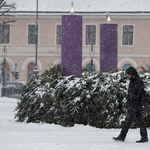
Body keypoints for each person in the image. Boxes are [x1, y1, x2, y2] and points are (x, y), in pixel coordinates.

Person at [113, 67, 149, 143]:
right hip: (133, 105)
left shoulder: (137, 81)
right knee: (139, 121)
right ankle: (144, 137)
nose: (128, 76)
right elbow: (131, 94)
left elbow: (142, 94)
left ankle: (122, 137)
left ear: (132, 74)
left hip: (135, 105)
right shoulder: (133, 81)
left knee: (128, 121)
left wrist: (145, 104)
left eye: (128, 74)